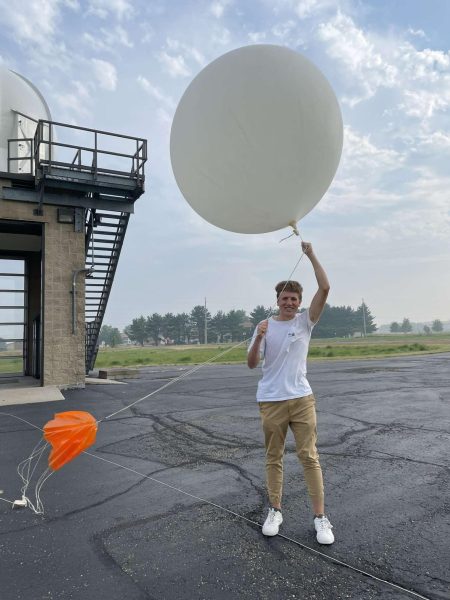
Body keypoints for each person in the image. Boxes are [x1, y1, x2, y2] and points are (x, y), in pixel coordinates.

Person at [247, 241, 334, 544]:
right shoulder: (264, 326)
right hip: (270, 401)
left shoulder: (305, 322)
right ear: (277, 300)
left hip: (301, 399)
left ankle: (321, 518)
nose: (289, 303)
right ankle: (275, 510)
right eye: (285, 298)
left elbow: (324, 288)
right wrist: (258, 338)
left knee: (309, 456)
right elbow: (251, 363)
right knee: (274, 457)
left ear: (299, 302)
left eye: (294, 298)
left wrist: (311, 254)